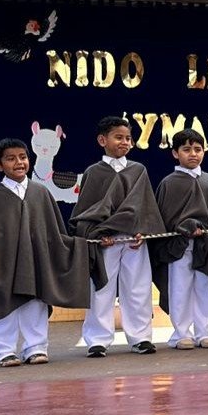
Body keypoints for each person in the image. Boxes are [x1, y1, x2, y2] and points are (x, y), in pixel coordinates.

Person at [0, 138, 99, 366]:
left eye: (22, 157)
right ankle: (2, 352)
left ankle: (36, 348)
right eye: (10, 159)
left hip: (36, 261)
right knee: (3, 305)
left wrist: (78, 245)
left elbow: (54, 231)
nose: (19, 163)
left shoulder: (40, 192)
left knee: (36, 303)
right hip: (4, 265)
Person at [71, 115, 165, 357]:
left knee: (138, 288)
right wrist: (97, 233)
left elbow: (146, 205)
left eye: (128, 138)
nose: (124, 142)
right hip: (105, 241)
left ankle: (141, 338)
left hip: (134, 240)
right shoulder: (94, 172)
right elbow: (87, 210)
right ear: (102, 140)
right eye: (118, 137)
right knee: (101, 288)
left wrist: (143, 230)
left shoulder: (138, 170)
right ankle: (97, 340)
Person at [152, 128, 208, 349]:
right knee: (180, 289)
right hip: (178, 247)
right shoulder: (169, 183)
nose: (193, 154)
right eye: (186, 149)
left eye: (198, 149)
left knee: (205, 288)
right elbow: (163, 216)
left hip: (207, 245)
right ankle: (181, 334)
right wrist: (186, 227)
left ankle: (205, 332)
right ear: (175, 153)